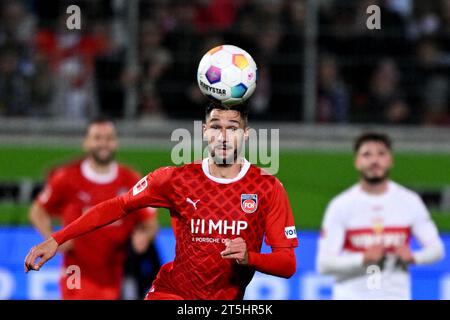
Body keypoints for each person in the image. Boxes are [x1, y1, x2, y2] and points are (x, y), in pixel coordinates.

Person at [25, 103, 298, 300]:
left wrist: (250, 257)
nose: (223, 136)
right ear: (204, 132)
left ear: (246, 134)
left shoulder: (268, 188)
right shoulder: (174, 179)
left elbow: (287, 264)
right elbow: (117, 206)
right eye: (216, 127)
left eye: (233, 128)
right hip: (172, 292)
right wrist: (57, 238)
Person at [28, 118, 159, 300]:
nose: (104, 143)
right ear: (86, 142)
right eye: (97, 138)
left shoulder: (130, 179)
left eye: (109, 138)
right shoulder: (66, 178)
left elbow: (150, 221)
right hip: (77, 272)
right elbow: (37, 211)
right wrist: (53, 238)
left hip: (117, 274)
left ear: (116, 142)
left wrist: (145, 235)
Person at [316, 132, 445, 299]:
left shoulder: (409, 201)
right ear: (357, 162)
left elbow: (437, 250)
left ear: (391, 160)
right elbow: (324, 264)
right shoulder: (341, 205)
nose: (374, 160)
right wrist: (363, 259)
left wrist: (415, 257)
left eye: (381, 153)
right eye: (367, 154)